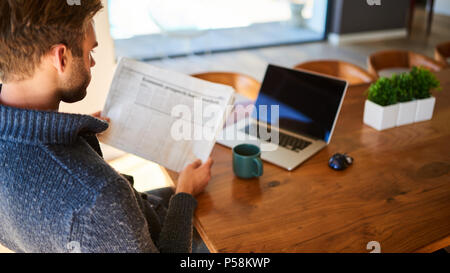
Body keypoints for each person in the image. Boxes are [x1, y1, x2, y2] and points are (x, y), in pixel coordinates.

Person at [0, 0, 213, 253]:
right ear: (61, 57)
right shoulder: (99, 196)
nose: (92, 63)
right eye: (90, 51)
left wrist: (77, 132)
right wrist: (185, 194)